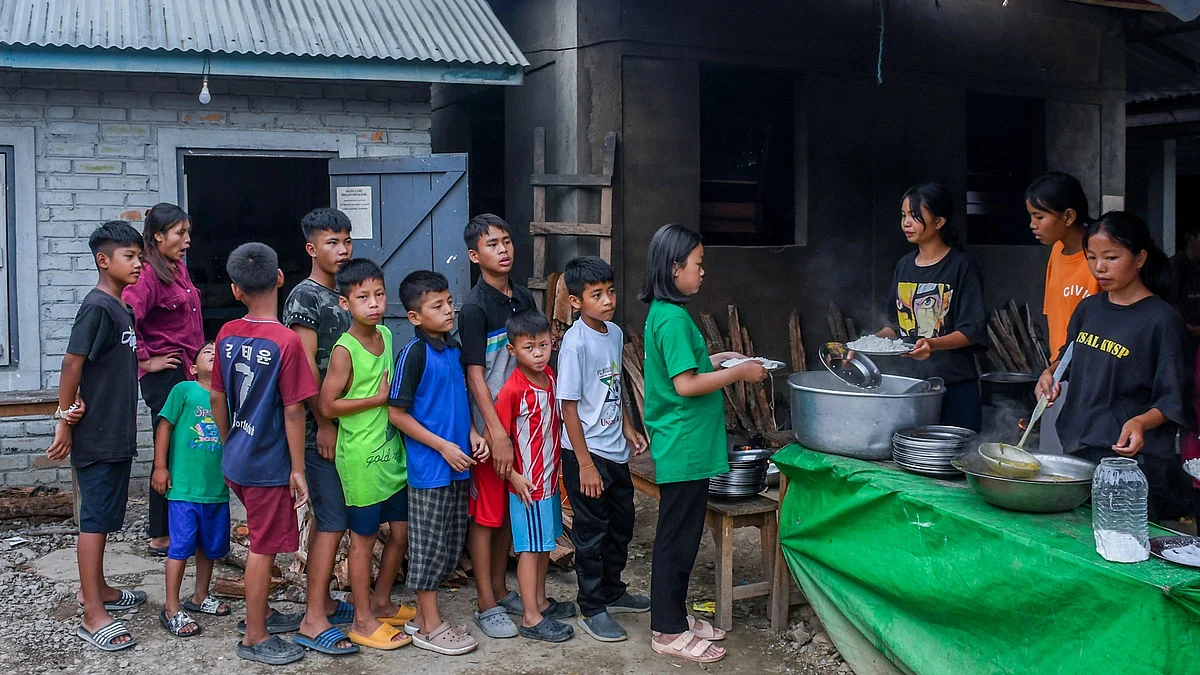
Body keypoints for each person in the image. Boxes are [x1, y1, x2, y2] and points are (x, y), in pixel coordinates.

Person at [638, 224, 766, 664]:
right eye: (697, 264)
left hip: (685, 442)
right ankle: (667, 629)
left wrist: (721, 359)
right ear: (675, 269)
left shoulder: (664, 311)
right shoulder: (672, 318)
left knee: (683, 535)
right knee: (676, 538)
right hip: (683, 443)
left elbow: (685, 370)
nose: (702, 272)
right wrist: (739, 373)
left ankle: (674, 615)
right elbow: (687, 385)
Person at [1036, 212, 1191, 523]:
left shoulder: (1161, 321)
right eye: (1091, 257)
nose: (1099, 267)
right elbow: (1069, 356)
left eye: (1111, 257)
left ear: (1139, 258)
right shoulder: (1089, 309)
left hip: (1130, 463)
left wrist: (1141, 422)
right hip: (1079, 449)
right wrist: (1049, 373)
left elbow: (1173, 398)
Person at [210, 243, 317, 666]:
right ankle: (254, 636)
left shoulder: (226, 333)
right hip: (268, 462)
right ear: (279, 279)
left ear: (235, 290)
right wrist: (298, 468)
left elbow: (218, 397)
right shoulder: (286, 340)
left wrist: (228, 440)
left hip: (238, 455)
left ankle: (263, 614)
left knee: (260, 535)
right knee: (263, 545)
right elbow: (294, 411)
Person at [48, 221, 146, 652]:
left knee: (106, 518)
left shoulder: (120, 307)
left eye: (140, 256)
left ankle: (101, 589)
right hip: (98, 434)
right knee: (94, 520)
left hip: (116, 429)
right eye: (130, 256)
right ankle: (92, 611)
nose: (139, 264)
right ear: (103, 261)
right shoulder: (97, 307)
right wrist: (65, 416)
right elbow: (72, 363)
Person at [387, 270, 488, 656]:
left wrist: (473, 436)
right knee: (429, 547)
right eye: (437, 306)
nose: (449, 310)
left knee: (447, 544)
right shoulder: (413, 354)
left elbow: (459, 402)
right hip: (430, 469)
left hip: (457, 464)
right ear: (415, 317)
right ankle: (428, 625)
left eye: (449, 302)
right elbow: (398, 414)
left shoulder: (454, 349)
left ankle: (422, 619)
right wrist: (443, 446)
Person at [557, 257, 650, 642]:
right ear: (577, 302)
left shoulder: (612, 333)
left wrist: (628, 426)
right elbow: (568, 406)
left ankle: (613, 590)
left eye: (610, 291)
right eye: (597, 295)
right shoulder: (575, 343)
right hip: (586, 453)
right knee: (591, 532)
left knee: (621, 525)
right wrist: (585, 465)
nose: (608, 300)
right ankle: (592, 607)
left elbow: (613, 387)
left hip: (614, 451)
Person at [317, 259, 408, 652]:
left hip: (391, 455)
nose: (374, 304)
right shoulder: (345, 350)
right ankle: (362, 619)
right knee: (363, 541)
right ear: (344, 302)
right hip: (359, 459)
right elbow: (327, 405)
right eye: (363, 297)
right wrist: (376, 399)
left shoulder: (387, 335)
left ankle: (382, 601)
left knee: (401, 535)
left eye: (379, 295)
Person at [458, 213, 541, 638]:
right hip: (492, 429)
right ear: (475, 256)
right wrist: (496, 432)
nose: (503, 250)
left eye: (507, 241)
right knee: (486, 514)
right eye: (492, 245)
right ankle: (485, 602)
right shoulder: (473, 308)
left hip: (522, 423)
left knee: (510, 507)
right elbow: (474, 374)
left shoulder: (522, 298)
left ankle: (502, 587)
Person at [281, 208, 360, 651]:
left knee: (341, 516)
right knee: (330, 519)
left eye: (347, 240)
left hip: (351, 423)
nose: (343, 249)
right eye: (332, 242)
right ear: (312, 248)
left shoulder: (345, 294)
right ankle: (312, 620)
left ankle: (326, 602)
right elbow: (305, 367)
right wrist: (325, 424)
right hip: (319, 427)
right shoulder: (304, 298)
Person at [122, 203, 203, 555]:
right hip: (166, 375)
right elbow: (124, 318)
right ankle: (159, 535)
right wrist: (146, 360)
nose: (186, 240)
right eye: (179, 233)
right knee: (167, 451)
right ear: (158, 236)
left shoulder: (176, 268)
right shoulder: (148, 276)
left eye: (187, 232)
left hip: (185, 370)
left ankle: (177, 526)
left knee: (181, 451)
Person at [876, 183, 987, 432]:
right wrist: (864, 346)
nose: (906, 222)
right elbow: (895, 326)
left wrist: (932, 344)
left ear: (938, 222)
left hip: (954, 387)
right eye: (904, 215)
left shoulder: (961, 267)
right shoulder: (904, 265)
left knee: (953, 462)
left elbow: (972, 330)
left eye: (915, 216)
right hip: (910, 386)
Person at [494, 310, 572, 643]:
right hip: (527, 485)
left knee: (542, 547)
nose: (538, 354)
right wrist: (512, 477)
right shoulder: (512, 390)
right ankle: (530, 617)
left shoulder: (551, 377)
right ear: (513, 351)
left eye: (543, 345)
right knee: (529, 549)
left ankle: (539, 602)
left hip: (549, 481)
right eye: (529, 348)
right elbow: (499, 439)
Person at [151, 341, 232, 638]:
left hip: (216, 489)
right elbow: (164, 427)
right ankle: (171, 607)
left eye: (218, 353)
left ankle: (200, 597)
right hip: (184, 488)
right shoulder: (184, 390)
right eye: (206, 352)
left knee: (208, 548)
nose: (213, 353)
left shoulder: (227, 398)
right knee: (181, 547)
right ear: (194, 368)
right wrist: (161, 466)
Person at [1026, 173, 1100, 453]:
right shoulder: (1057, 251)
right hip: (1058, 377)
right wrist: (1053, 369)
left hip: (1091, 382)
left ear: (1068, 216)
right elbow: (1055, 316)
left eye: (1039, 216)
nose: (1032, 225)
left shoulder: (1097, 261)